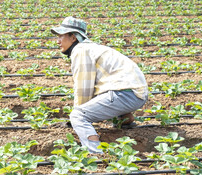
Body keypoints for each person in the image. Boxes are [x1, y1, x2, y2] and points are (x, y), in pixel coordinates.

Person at [50, 17, 148, 154]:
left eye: (61, 36)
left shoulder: (80, 50)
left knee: (78, 115)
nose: (58, 41)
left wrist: (76, 117)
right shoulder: (92, 48)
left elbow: (83, 88)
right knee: (101, 96)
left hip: (124, 93)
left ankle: (95, 153)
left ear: (73, 37)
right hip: (136, 94)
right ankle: (125, 119)